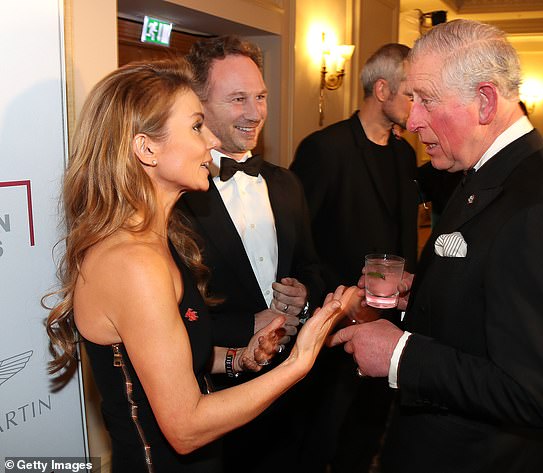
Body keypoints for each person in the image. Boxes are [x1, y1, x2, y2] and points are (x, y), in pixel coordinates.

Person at [44, 58, 344, 473]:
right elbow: (185, 428)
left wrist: (238, 359)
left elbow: (171, 356)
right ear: (146, 148)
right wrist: (300, 359)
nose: (209, 143)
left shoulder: (156, 241)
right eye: (196, 127)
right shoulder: (132, 263)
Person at [329, 19, 543, 473]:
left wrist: (399, 354)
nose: (412, 121)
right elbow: (493, 287)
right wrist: (428, 292)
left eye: (425, 100)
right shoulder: (490, 171)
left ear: (485, 101)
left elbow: (533, 392)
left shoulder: (540, 209)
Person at [178, 36, 325, 472]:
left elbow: (312, 264)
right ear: (198, 104)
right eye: (238, 98)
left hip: (288, 386)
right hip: (213, 394)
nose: (256, 112)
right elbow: (168, 317)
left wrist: (305, 292)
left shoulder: (286, 183)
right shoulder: (175, 196)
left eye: (260, 96)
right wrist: (248, 324)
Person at [290, 43, 419, 473]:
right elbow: (298, 240)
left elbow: (403, 238)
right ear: (382, 89)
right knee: (321, 435)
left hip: (391, 322)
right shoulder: (325, 148)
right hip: (335, 322)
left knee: (367, 434)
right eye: (410, 93)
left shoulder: (405, 154)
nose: (417, 105)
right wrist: (342, 302)